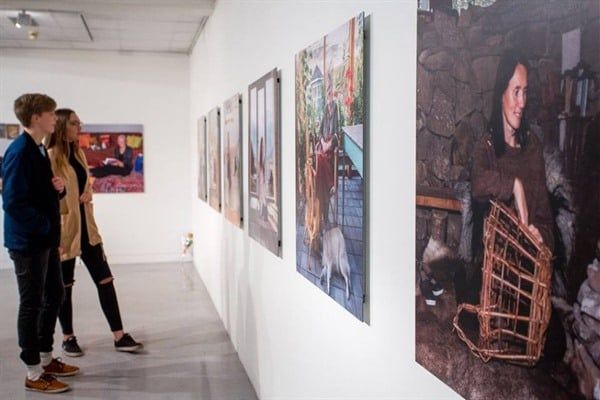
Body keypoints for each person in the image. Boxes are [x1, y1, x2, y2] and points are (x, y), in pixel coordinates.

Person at [47, 108, 143, 357]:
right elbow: (48, 195)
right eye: (75, 123)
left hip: (87, 228)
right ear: (62, 127)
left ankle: (119, 336)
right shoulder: (51, 156)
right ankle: (68, 338)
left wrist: (88, 192)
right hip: (66, 230)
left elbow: (84, 183)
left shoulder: (78, 153)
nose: (79, 126)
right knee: (65, 286)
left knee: (105, 279)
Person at [3, 94, 79, 394]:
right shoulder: (20, 152)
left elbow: (38, 192)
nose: (54, 119)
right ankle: (34, 372)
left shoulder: (37, 149)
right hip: (28, 242)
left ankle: (46, 359)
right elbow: (12, 202)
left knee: (55, 295)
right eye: (50, 114)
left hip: (43, 240)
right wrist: (45, 226)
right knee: (32, 304)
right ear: (36, 118)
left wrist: (57, 190)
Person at [471, 50, 554, 250]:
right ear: (501, 94)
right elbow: (477, 183)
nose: (522, 102)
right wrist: (515, 186)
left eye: (525, 92)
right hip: (494, 265)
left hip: (528, 265)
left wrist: (540, 236)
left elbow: (547, 224)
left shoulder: (533, 147)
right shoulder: (486, 147)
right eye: (516, 92)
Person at [315, 78, 339, 229]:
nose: (329, 95)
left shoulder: (336, 109)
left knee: (322, 159)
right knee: (319, 157)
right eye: (327, 93)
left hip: (330, 149)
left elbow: (337, 133)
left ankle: (321, 193)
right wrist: (322, 142)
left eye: (331, 92)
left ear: (333, 94)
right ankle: (329, 186)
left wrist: (330, 143)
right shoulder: (324, 110)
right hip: (324, 145)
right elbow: (319, 132)